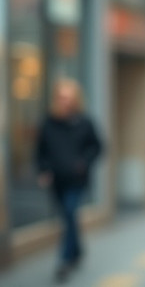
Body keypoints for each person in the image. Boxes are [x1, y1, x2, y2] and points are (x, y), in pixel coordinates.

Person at [36, 78, 103, 283]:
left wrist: (84, 163)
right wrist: (44, 170)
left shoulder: (84, 122)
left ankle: (64, 260)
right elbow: (41, 151)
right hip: (57, 180)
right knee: (68, 217)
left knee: (70, 212)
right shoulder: (49, 122)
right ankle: (77, 251)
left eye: (68, 97)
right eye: (61, 97)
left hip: (77, 179)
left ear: (75, 99)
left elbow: (97, 147)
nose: (65, 101)